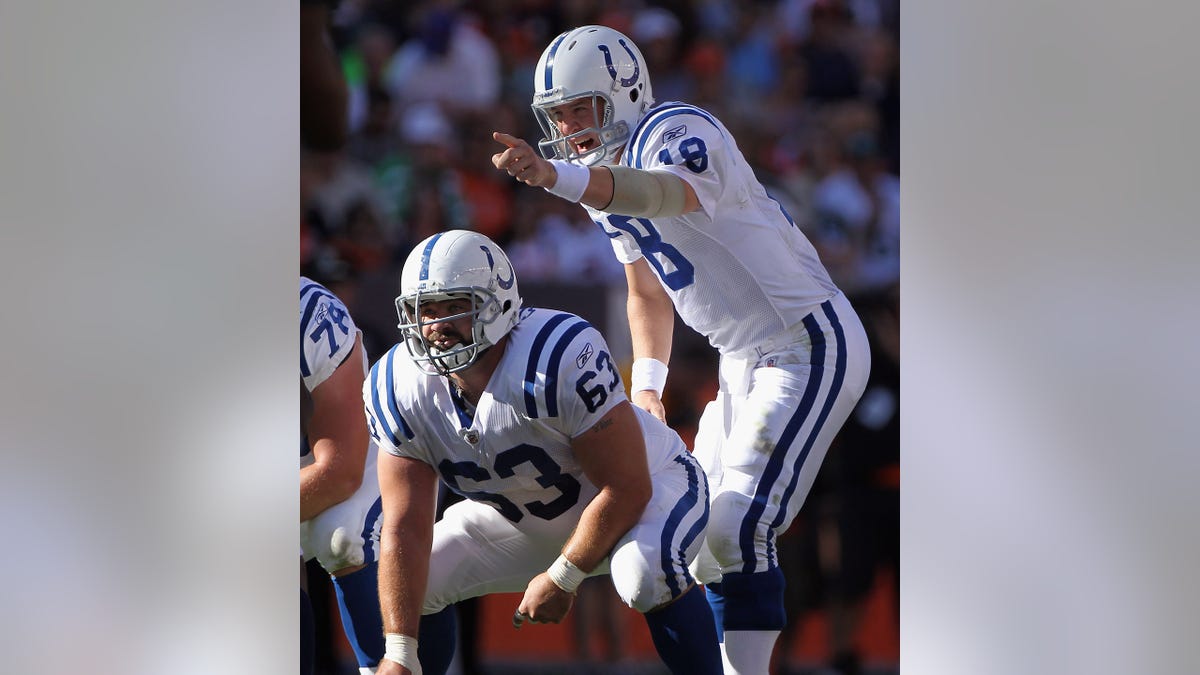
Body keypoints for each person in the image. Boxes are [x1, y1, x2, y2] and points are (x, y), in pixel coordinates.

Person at [490, 25, 872, 675]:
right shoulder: (601, 180)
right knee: (702, 549)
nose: (570, 129)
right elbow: (646, 292)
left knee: (735, 529)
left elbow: (668, 194)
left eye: (580, 109)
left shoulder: (677, 130)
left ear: (624, 93)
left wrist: (558, 177)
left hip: (806, 342)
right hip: (741, 360)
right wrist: (648, 386)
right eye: (558, 118)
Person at [363, 230, 722, 675]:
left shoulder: (554, 355)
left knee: (644, 573)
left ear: (497, 303)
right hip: (528, 518)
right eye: (425, 310)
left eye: (456, 306)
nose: (436, 327)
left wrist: (564, 577)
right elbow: (403, 529)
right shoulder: (396, 386)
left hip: (649, 491)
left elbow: (627, 487)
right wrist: (399, 652)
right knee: (417, 584)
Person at [300, 276, 385, 674]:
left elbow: (340, 470)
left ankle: (389, 663)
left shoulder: (309, 313)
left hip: (323, 464)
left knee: (344, 535)